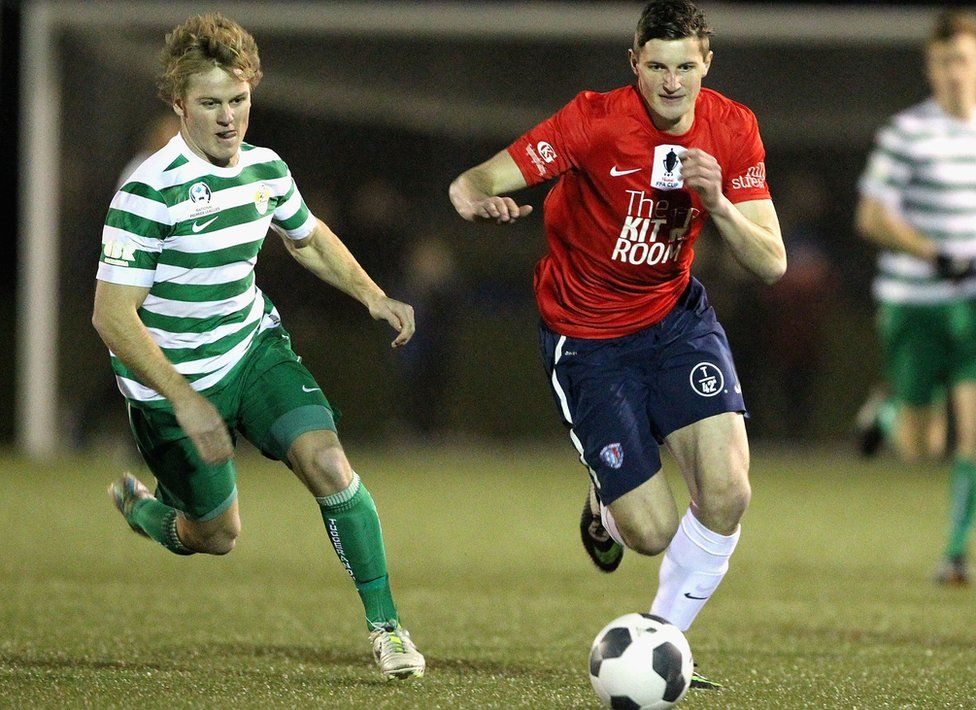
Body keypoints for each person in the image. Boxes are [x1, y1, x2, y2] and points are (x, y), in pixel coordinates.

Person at [450, 0, 785, 690]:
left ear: (706, 64)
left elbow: (772, 262)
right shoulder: (593, 120)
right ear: (634, 64)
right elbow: (477, 178)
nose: (671, 82)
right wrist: (475, 197)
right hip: (589, 339)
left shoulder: (732, 127)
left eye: (685, 66)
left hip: (675, 321)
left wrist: (719, 205)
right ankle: (605, 504)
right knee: (651, 533)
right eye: (657, 66)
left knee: (727, 493)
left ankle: (664, 641)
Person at [91, 13, 425, 677]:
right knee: (217, 536)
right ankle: (149, 512)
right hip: (170, 392)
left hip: (252, 351)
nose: (227, 118)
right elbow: (112, 317)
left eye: (238, 100)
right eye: (210, 103)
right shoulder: (146, 192)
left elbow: (307, 236)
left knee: (330, 467)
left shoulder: (265, 168)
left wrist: (371, 294)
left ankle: (387, 629)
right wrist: (184, 401)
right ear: (179, 103)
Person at [855, 9, 976, 586]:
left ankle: (954, 555)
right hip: (915, 303)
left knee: (974, 432)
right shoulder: (907, 133)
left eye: (961, 59)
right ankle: (884, 411)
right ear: (931, 68)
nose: (952, 72)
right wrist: (935, 254)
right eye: (942, 62)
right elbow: (872, 216)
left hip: (972, 306)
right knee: (920, 444)